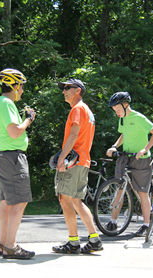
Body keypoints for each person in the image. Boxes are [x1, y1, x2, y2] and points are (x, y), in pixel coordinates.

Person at [52, 78, 103, 254]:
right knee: (76, 201)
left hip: (73, 162)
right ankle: (94, 239)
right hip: (83, 161)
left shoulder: (77, 109)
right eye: (63, 88)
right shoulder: (87, 110)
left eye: (67, 88)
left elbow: (73, 135)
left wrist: (61, 158)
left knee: (65, 199)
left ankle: (73, 242)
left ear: (78, 90)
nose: (63, 91)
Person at [0, 68, 35, 259]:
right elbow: (15, 132)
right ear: (14, 86)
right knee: (19, 200)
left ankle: (3, 243)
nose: (22, 90)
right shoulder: (7, 103)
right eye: (21, 86)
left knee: (6, 201)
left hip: (3, 155)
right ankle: (11, 245)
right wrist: (28, 120)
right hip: (12, 157)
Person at [105, 92, 153, 236]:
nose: (116, 112)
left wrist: (145, 149)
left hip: (141, 159)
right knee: (119, 187)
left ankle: (147, 225)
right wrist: (114, 146)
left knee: (142, 192)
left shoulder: (139, 118)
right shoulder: (122, 119)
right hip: (126, 157)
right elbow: (123, 134)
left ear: (125, 105)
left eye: (117, 108)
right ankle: (113, 221)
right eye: (114, 110)